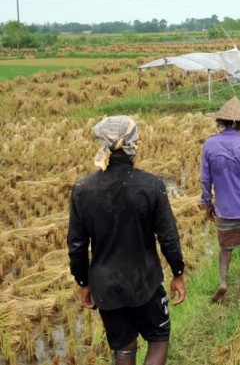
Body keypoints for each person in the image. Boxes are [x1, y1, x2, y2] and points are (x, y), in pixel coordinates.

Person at [68, 115, 186, 365]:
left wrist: (83, 281)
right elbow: (168, 237)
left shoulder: (82, 190)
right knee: (158, 337)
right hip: (145, 282)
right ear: (133, 144)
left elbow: (77, 246)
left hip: (106, 286)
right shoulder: (151, 186)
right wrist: (178, 272)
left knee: (124, 347)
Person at [200, 96, 240, 303]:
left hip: (224, 208)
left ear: (222, 122)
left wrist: (208, 204)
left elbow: (205, 178)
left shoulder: (210, 144)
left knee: (225, 247)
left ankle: (223, 281)